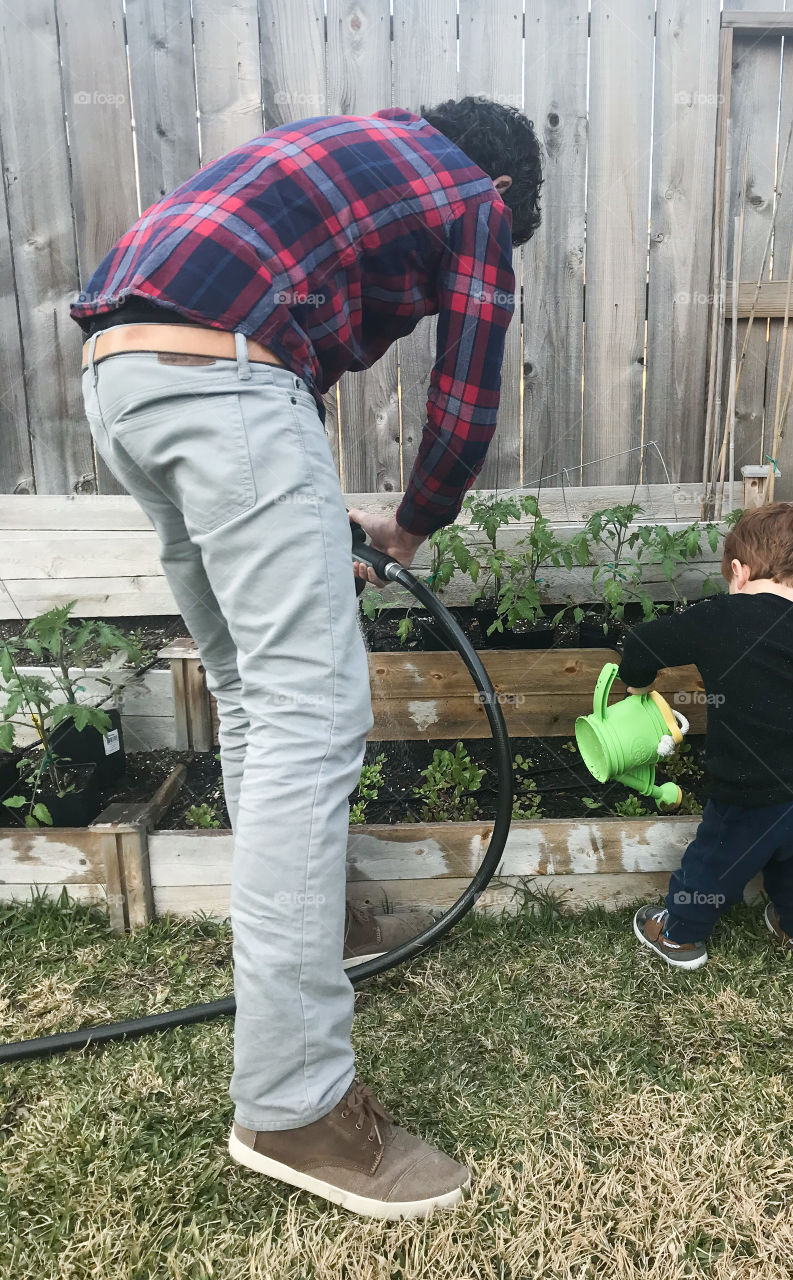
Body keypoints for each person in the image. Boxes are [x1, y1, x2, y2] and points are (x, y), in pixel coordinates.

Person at [70, 97, 543, 1219]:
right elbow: (466, 398)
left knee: (245, 686)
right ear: (510, 195)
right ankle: (294, 1102)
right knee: (311, 712)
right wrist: (414, 524)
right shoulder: (477, 194)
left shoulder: (349, 141)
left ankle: (313, 920)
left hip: (119, 378)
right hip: (225, 378)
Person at [618, 503, 793, 972]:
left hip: (756, 794)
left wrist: (640, 684)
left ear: (737, 571)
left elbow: (642, 643)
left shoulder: (723, 614)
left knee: (714, 862)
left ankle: (679, 935)